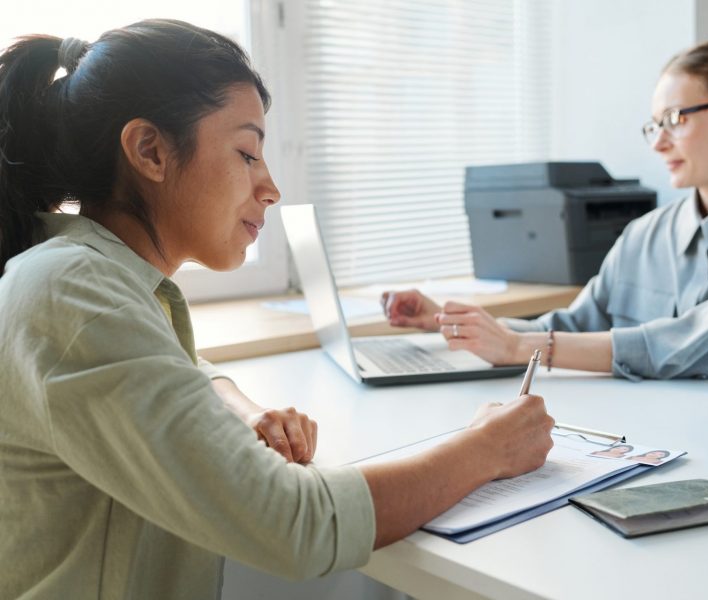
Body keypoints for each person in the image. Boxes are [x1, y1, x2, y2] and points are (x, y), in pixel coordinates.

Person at [0, 21, 555, 599]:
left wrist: (240, 408)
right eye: (246, 153)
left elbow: (174, 368)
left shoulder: (86, 276)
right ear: (151, 150)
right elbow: (298, 526)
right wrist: (488, 449)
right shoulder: (73, 292)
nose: (270, 187)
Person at [382, 39, 708, 382]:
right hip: (641, 442)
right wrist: (448, 322)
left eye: (676, 119)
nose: (658, 143)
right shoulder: (644, 235)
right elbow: (574, 325)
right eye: (655, 125)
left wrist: (520, 349)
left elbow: (706, 337)